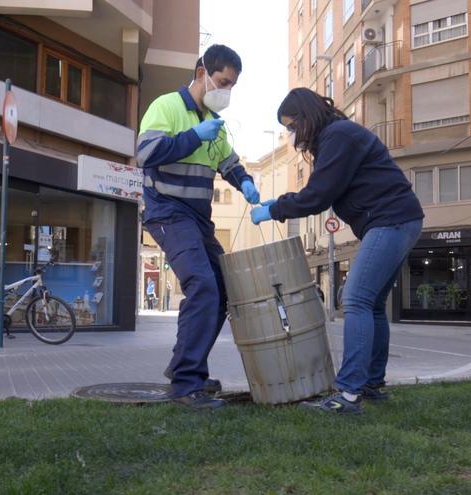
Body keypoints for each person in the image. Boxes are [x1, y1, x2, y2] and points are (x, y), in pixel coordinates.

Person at [251, 88, 424, 414]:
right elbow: (322, 191)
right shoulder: (336, 136)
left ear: (306, 117)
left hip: (391, 220)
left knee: (355, 299)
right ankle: (370, 384)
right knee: (371, 305)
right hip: (399, 220)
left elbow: (318, 195)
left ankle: (348, 394)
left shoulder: (338, 135)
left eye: (291, 126)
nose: (291, 135)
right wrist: (283, 204)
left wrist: (276, 209)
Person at [137, 44, 260, 410]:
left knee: (223, 289)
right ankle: (186, 384)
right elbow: (146, 154)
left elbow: (229, 163)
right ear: (202, 71)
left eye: (232, 85)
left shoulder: (215, 125)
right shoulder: (166, 107)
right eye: (223, 81)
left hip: (197, 219)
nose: (226, 91)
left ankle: (186, 368)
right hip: (167, 212)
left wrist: (246, 182)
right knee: (203, 285)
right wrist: (194, 136)